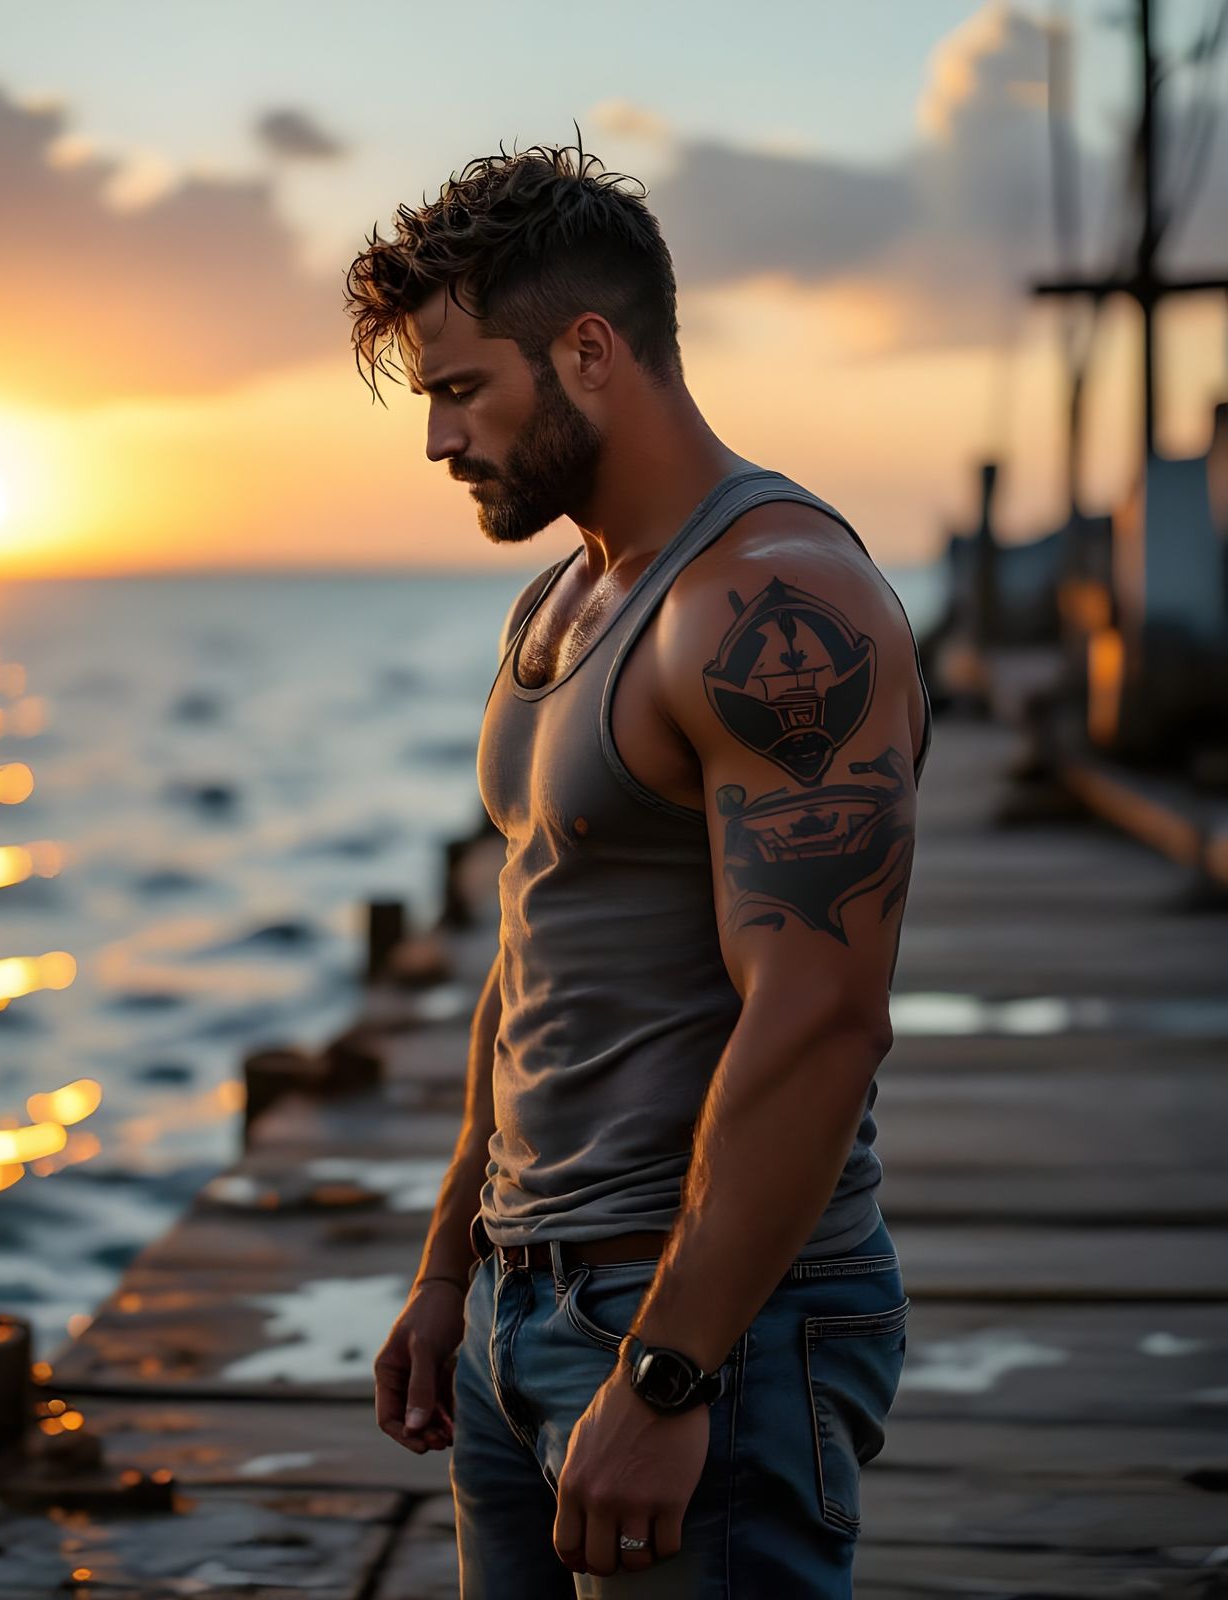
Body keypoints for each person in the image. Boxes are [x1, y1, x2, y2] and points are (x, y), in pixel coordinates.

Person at [344, 135, 930, 1598]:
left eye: (461, 390)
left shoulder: (774, 602)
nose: (437, 442)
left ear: (590, 352)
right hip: (522, 1302)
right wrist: (448, 1269)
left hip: (710, 1321)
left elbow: (821, 1017)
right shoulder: (561, 603)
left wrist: (670, 1373)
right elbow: (531, 958)